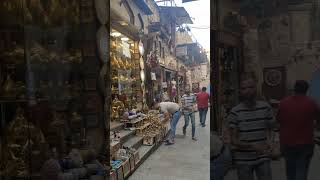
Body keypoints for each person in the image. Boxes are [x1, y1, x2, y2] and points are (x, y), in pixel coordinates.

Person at [228, 75, 275, 180]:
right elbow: (233, 140)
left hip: (263, 157)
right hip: (243, 159)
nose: (248, 91)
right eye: (244, 88)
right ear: (240, 91)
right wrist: (253, 146)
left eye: (251, 87)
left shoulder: (266, 108)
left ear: (256, 88)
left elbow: (271, 128)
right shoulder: (235, 112)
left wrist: (271, 142)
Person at [277, 80, 320, 180]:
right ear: (306, 90)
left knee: (290, 171)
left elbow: (278, 120)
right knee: (302, 170)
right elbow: (319, 120)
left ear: (294, 89)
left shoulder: (283, 103)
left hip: (288, 143)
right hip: (306, 143)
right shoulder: (311, 103)